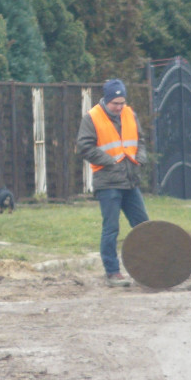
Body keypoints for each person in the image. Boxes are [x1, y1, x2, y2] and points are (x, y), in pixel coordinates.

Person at [77, 78, 149, 287]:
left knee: (143, 225)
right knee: (111, 228)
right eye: (115, 103)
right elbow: (84, 147)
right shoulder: (92, 118)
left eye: (122, 103)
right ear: (106, 100)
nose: (119, 107)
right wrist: (109, 162)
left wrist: (141, 158)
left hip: (130, 181)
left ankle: (148, 267)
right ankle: (112, 272)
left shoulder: (130, 113)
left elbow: (141, 140)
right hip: (108, 183)